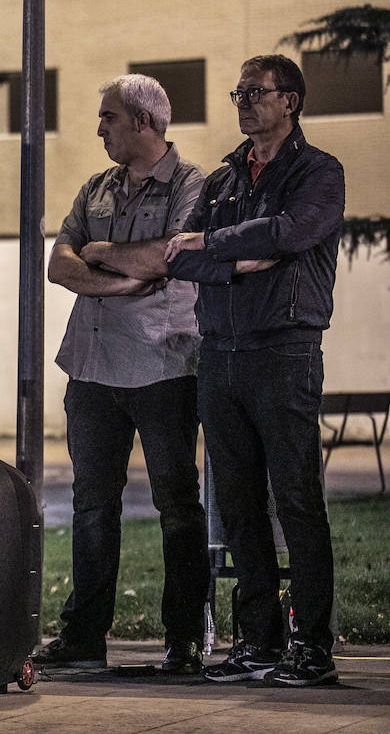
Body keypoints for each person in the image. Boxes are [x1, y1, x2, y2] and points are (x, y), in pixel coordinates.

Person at [165, 54, 344, 687]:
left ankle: (312, 644)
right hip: (221, 354)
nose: (242, 102)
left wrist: (212, 246)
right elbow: (175, 258)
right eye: (238, 92)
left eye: (255, 92)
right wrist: (235, 260)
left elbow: (293, 232)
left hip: (284, 350)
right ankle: (258, 641)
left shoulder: (318, 171)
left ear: (290, 101)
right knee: (238, 506)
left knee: (296, 499)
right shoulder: (221, 180)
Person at [30, 74, 210, 674]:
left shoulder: (193, 185)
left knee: (178, 505)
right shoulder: (96, 188)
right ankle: (84, 636)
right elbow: (58, 263)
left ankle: (184, 639)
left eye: (108, 116)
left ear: (143, 122)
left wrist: (102, 252)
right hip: (91, 369)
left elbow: (171, 256)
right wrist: (122, 278)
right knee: (92, 506)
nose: (99, 127)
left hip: (163, 366)